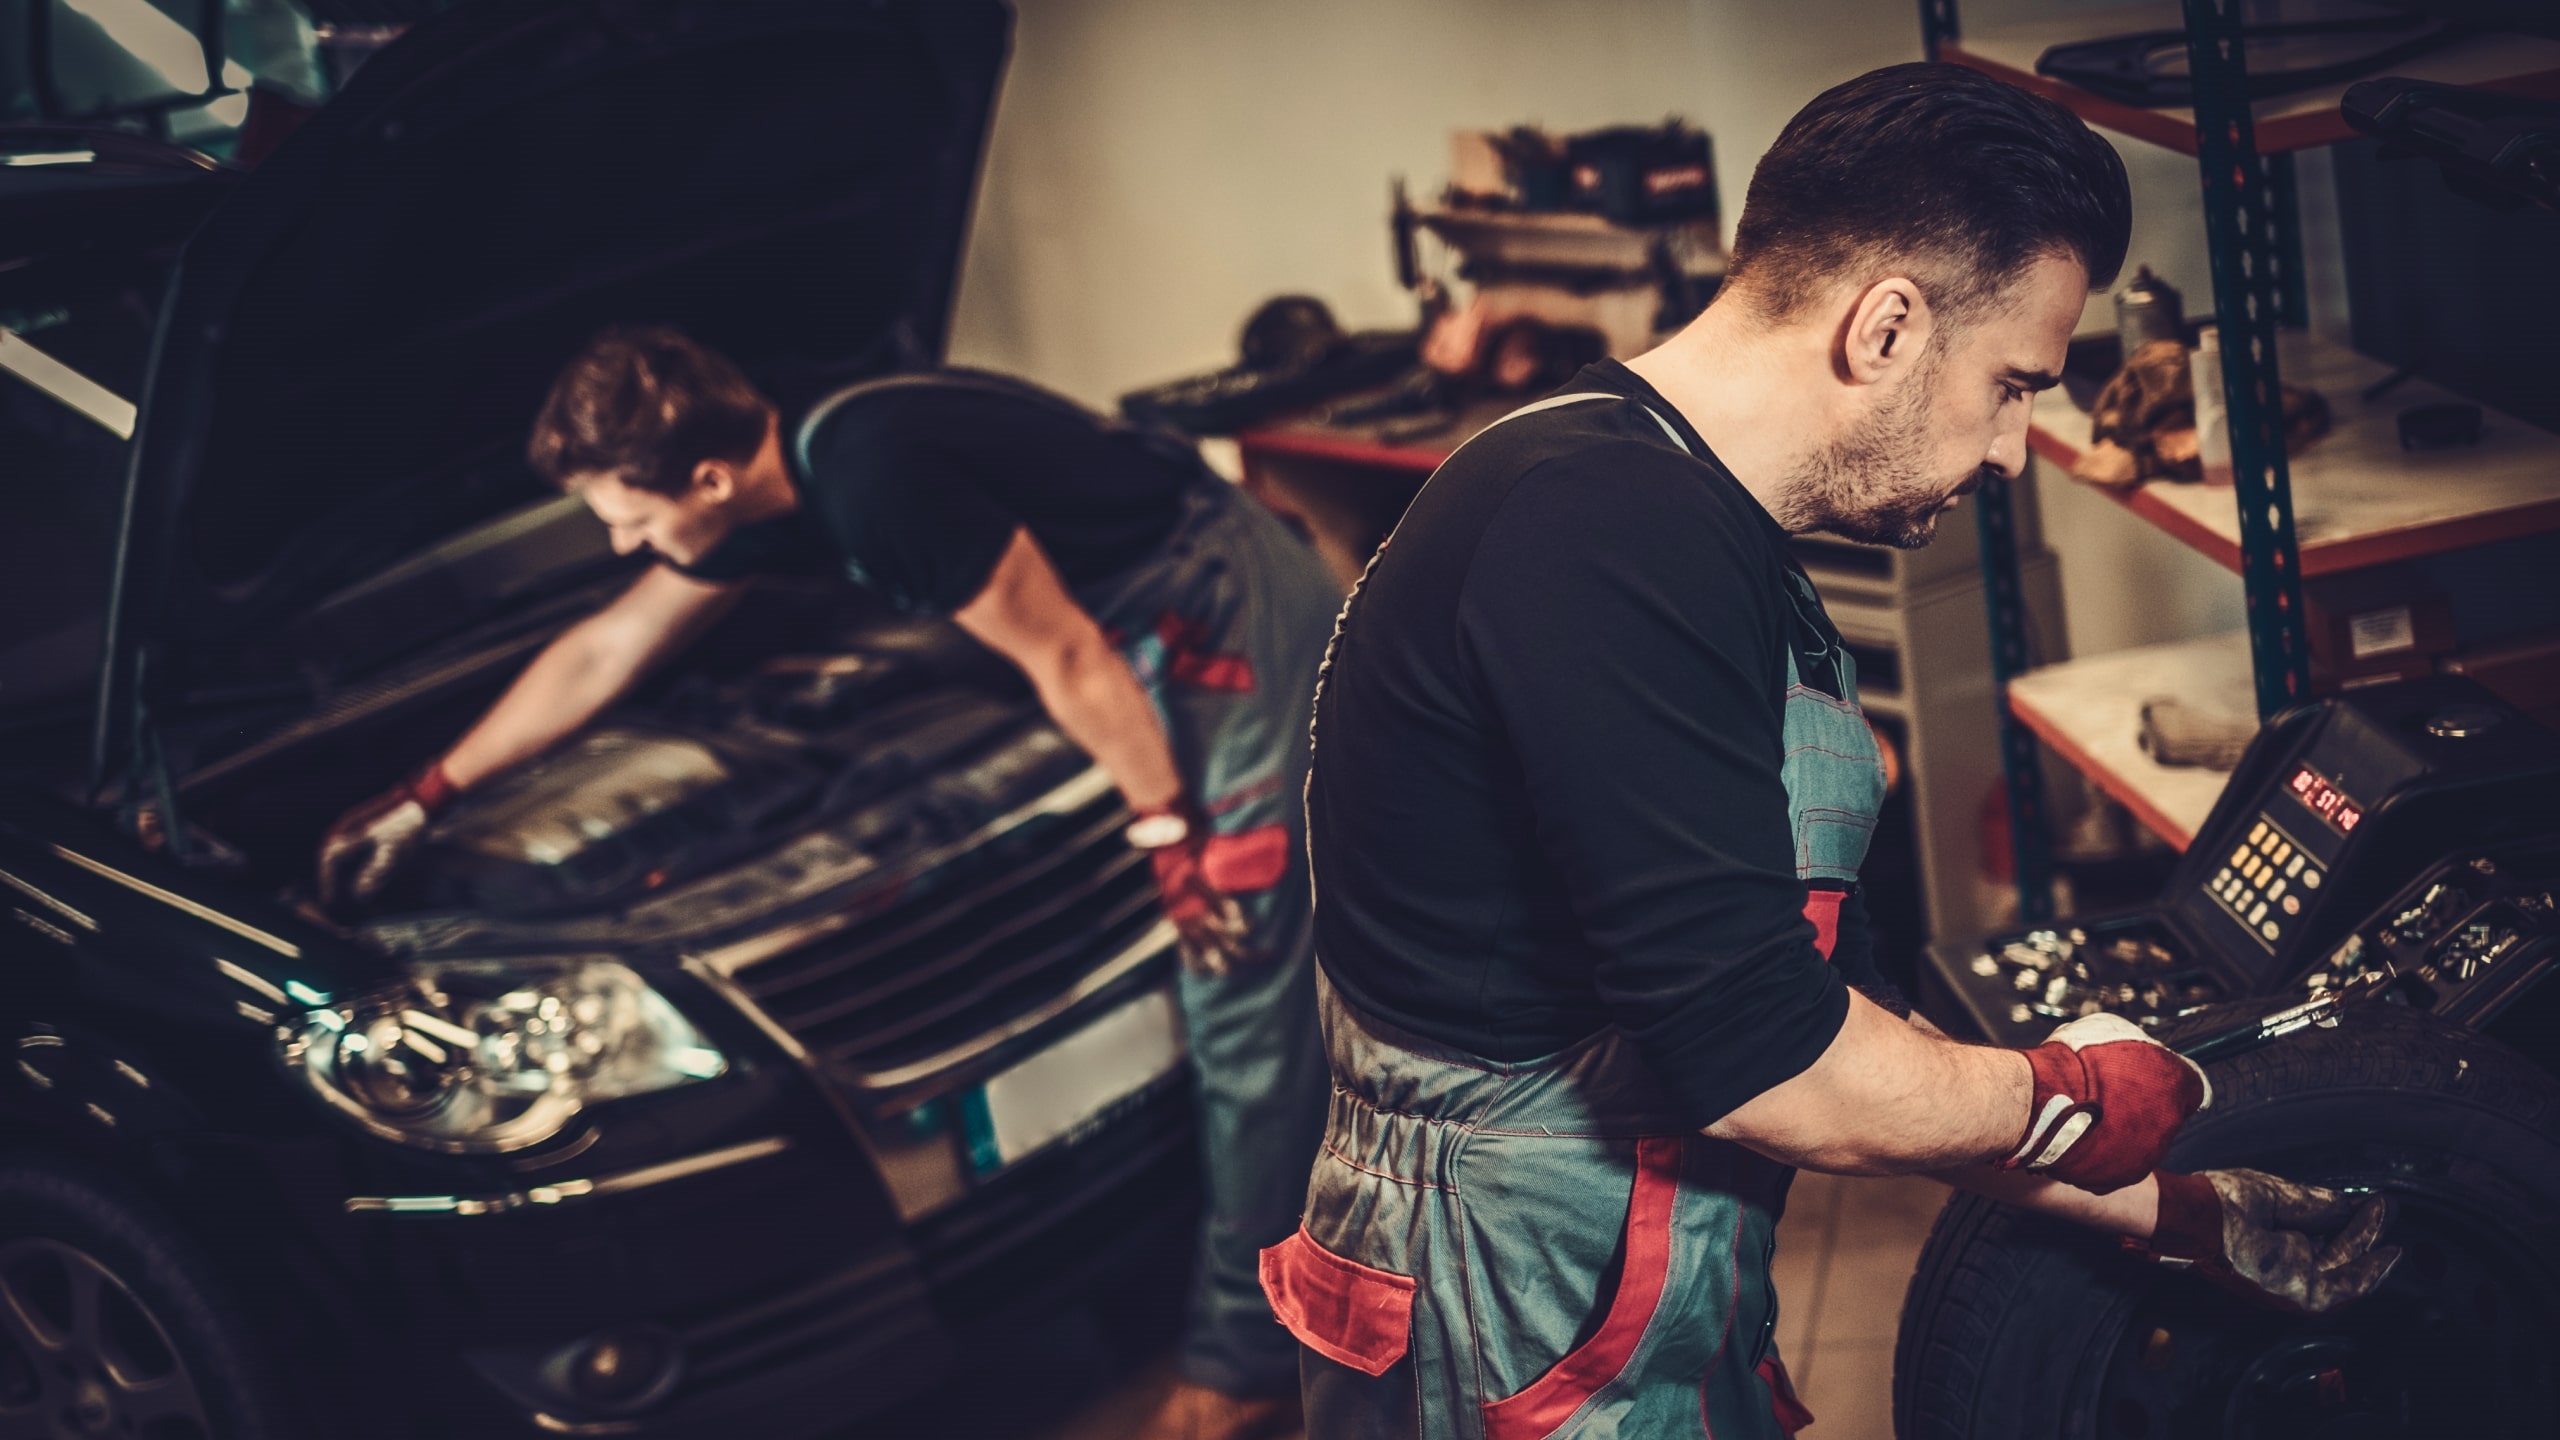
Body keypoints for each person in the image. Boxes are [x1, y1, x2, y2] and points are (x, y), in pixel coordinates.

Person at [1266, 64, 2398, 1438]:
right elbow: (1779, 1069)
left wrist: (2174, 1211)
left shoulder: (1691, 526)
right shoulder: (1596, 531)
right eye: (2012, 386)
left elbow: (1828, 1025)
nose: (2015, 452)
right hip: (1498, 1295)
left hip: (1632, 1266)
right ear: (1887, 327)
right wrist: (2074, 1098)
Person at [316, 337, 1339, 1440]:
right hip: (1127, 615)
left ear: (706, 482)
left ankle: (1244, 1365)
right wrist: (424, 793)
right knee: (1235, 968)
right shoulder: (770, 473)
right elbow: (608, 647)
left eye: (630, 515)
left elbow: (1071, 662)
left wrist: (1172, 842)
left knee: (1240, 972)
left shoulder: (871, 473)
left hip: (1217, 598)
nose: (621, 541)